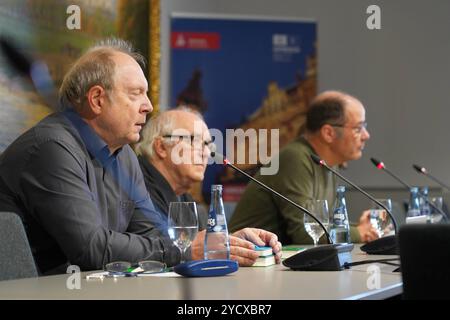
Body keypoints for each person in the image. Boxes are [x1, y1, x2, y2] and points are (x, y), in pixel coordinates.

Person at [0, 38, 280, 274]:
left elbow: (153, 233)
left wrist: (223, 243)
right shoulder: (52, 148)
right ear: (97, 99)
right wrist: (188, 249)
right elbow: (90, 249)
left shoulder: (123, 156)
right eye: (136, 94)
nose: (148, 106)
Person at [229, 90, 379, 245]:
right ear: (328, 133)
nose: (366, 135)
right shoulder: (295, 158)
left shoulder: (330, 163)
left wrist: (366, 229)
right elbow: (306, 234)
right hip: (248, 261)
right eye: (358, 128)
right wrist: (360, 232)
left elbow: (324, 226)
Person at [134, 107, 281, 263]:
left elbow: (198, 247)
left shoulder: (183, 196)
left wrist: (234, 242)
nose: (206, 153)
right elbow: (154, 248)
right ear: (161, 147)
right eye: (195, 141)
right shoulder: (137, 186)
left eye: (208, 145)